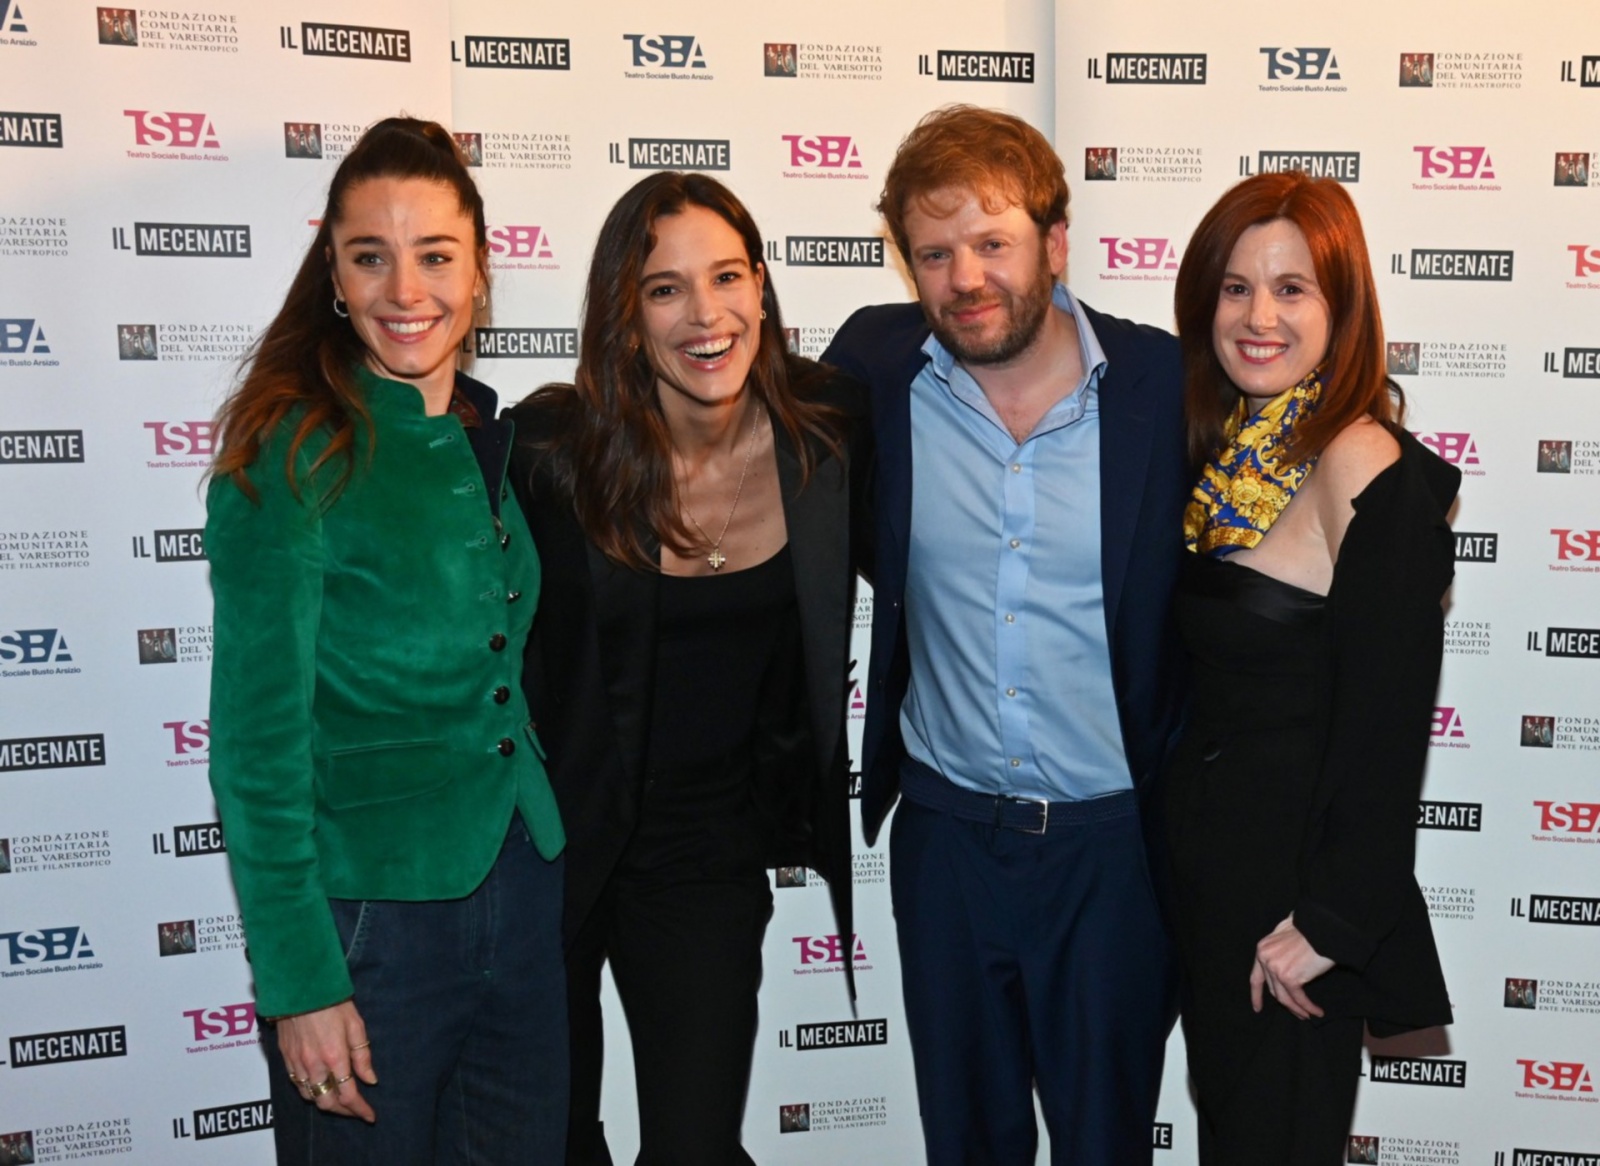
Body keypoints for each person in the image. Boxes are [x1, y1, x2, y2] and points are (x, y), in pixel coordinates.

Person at [822, 105, 1186, 1165]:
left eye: (992, 242)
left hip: (1114, 853)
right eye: (934, 254)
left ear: (1054, 243)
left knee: (1104, 1143)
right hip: (946, 841)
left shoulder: (1166, 387)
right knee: (965, 1144)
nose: (965, 278)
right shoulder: (875, 368)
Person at [204, 117, 567, 1165]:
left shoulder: (482, 436)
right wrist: (300, 982)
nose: (406, 290)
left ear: (480, 271)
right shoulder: (290, 454)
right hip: (370, 924)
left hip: (521, 889)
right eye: (371, 257)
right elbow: (256, 747)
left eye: (436, 256)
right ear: (334, 273)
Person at [506, 171, 869, 1165]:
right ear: (625, 316)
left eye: (726, 276)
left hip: (705, 855)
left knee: (696, 1146)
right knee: (550, 1140)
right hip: (553, 850)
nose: (706, 315)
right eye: (665, 288)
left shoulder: (827, 435)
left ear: (762, 284)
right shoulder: (551, 452)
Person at [1165, 171, 1457, 1163]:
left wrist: (1330, 920)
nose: (1259, 317)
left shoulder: (1359, 461)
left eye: (1292, 289)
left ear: (1342, 307)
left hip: (1289, 908)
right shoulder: (1227, 457)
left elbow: (1388, 719)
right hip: (1205, 883)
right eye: (1235, 288)